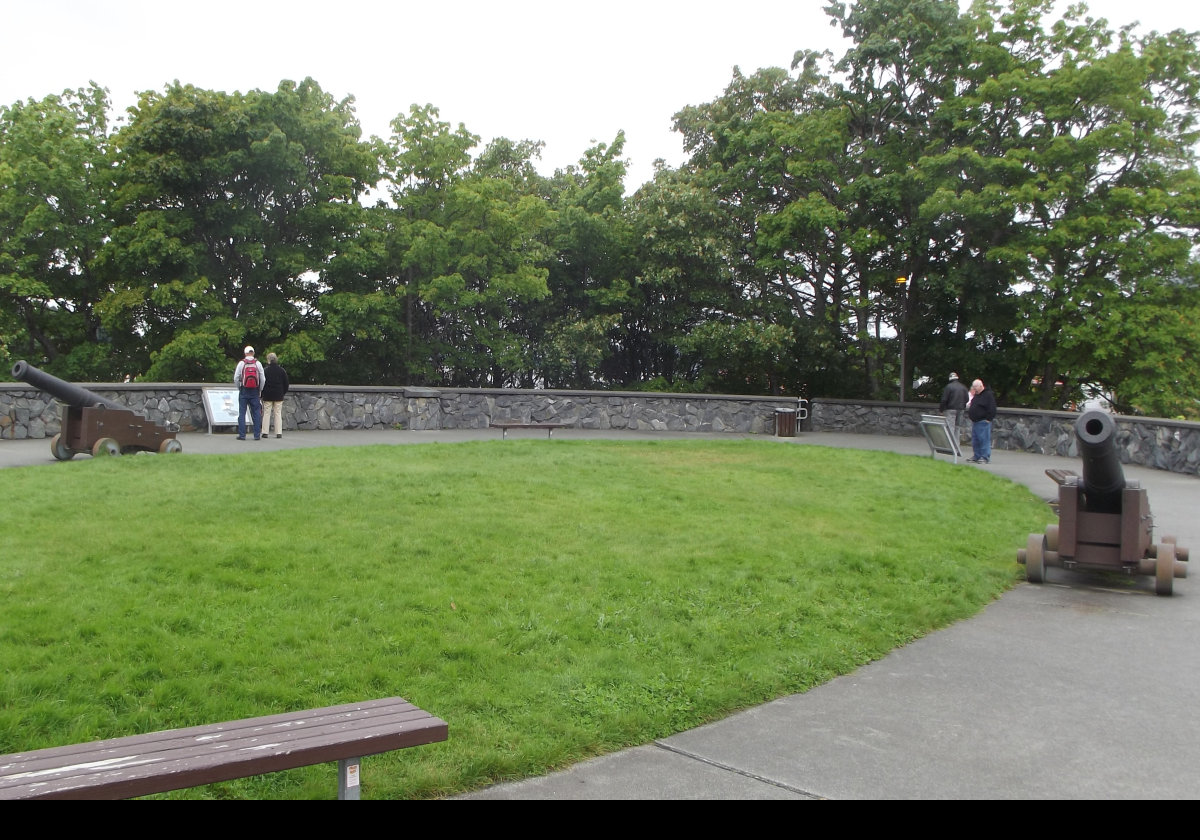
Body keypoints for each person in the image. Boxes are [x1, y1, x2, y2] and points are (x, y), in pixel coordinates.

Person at [233, 346, 265, 441]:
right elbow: (263, 378)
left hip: (244, 389)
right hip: (255, 390)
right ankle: (256, 435)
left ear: (245, 353)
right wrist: (260, 389)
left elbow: (236, 378)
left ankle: (242, 435)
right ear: (253, 353)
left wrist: (239, 387)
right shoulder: (258, 364)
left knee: (242, 413)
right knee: (256, 412)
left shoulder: (241, 363)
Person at [966, 378, 997, 463]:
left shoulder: (988, 395)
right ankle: (977, 455)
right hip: (975, 421)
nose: (974, 388)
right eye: (973, 387)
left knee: (984, 440)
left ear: (981, 386)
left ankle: (985, 457)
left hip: (983, 421)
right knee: (975, 440)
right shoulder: (977, 395)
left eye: (976, 387)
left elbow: (992, 408)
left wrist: (988, 419)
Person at [261, 352, 290, 439]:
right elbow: (286, 384)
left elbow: (262, 383)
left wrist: (262, 394)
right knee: (278, 413)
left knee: (266, 413)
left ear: (268, 360)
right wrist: (282, 393)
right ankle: (278, 432)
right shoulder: (282, 370)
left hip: (268, 395)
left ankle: (265, 432)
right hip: (278, 395)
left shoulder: (265, 370)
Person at [938, 372, 969, 442]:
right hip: (961, 409)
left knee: (950, 427)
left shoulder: (948, 387)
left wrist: (941, 410)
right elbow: (967, 399)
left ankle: (950, 444)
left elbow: (944, 400)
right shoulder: (963, 387)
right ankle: (956, 444)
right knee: (957, 427)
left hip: (950, 409)